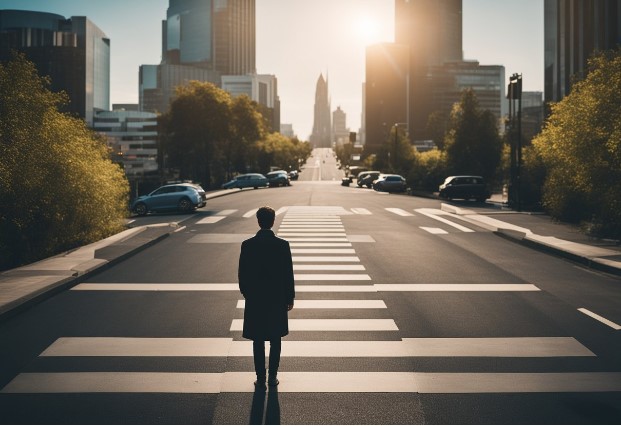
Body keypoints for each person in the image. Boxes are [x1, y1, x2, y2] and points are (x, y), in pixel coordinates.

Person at [238, 206, 295, 388]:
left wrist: (248, 293)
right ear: (272, 221)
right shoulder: (282, 245)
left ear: (258, 221)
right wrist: (289, 297)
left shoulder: (247, 245)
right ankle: (272, 376)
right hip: (276, 298)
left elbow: (242, 274)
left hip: (256, 299)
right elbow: (288, 274)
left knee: (258, 339)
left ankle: (260, 377)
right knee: (275, 338)